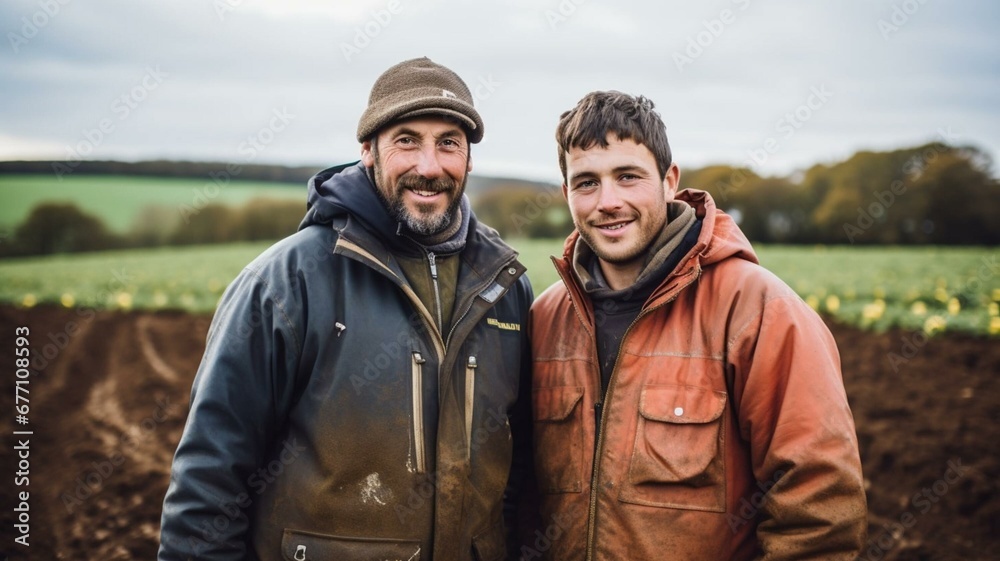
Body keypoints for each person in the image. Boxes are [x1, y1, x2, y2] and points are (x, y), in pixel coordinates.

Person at [159, 57, 533, 561]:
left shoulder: (506, 287)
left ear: (469, 159)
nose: (429, 165)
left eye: (449, 142)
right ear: (368, 151)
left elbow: (525, 479)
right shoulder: (285, 284)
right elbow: (209, 482)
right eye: (406, 139)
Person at [527, 91, 867, 559]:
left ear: (669, 181)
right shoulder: (544, 320)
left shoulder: (757, 310)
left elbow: (819, 507)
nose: (608, 202)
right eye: (586, 182)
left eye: (628, 177)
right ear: (567, 195)